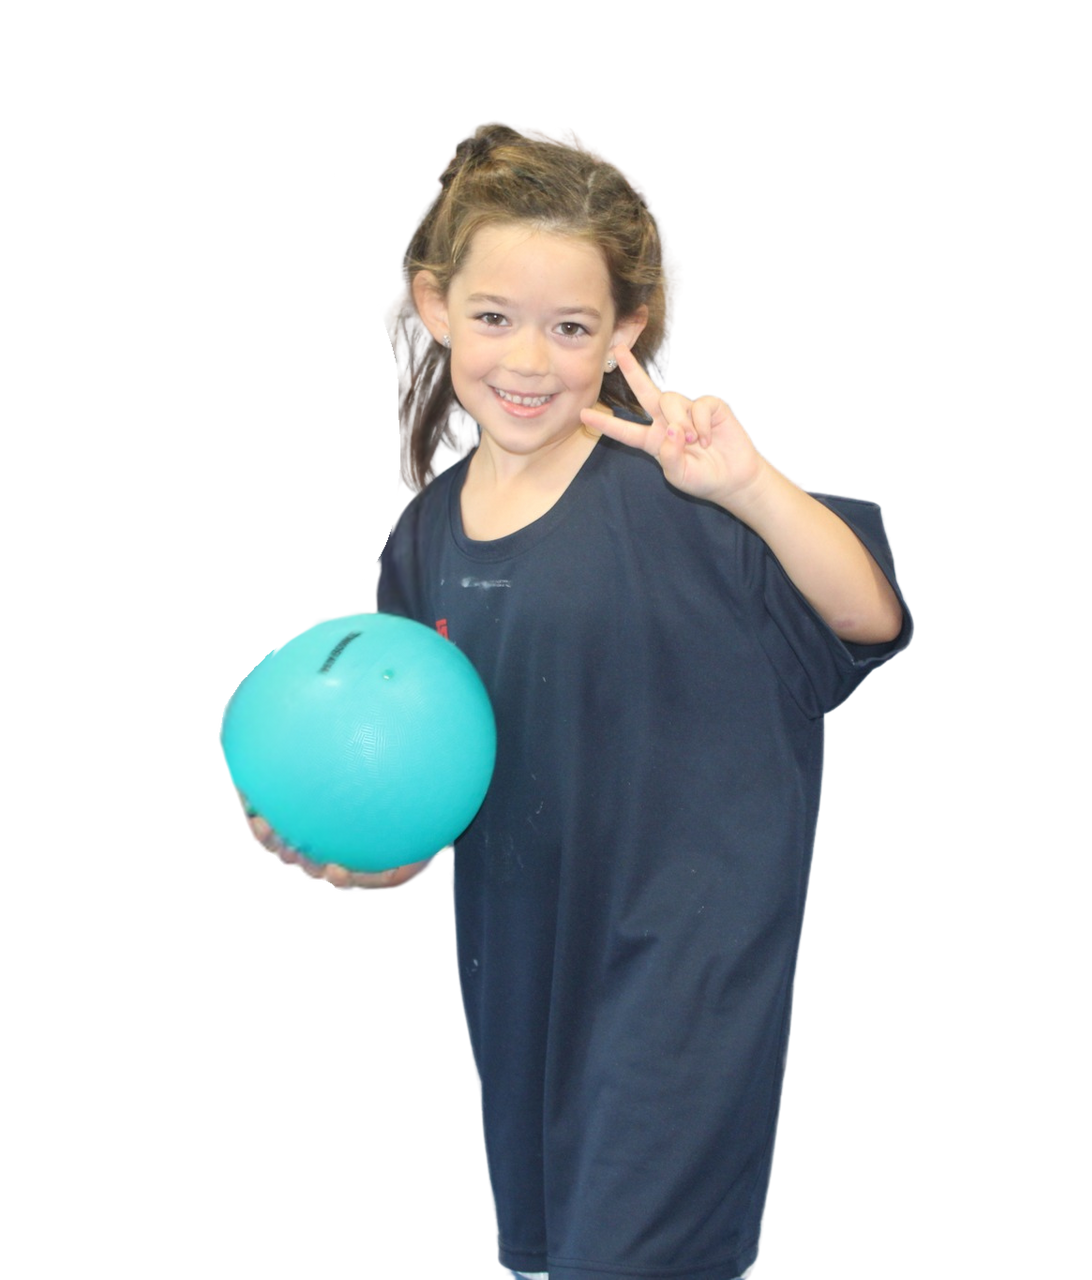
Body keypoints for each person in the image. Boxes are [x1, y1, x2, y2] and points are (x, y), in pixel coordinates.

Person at [250, 121, 913, 1280]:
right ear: (438, 304)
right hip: (521, 981)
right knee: (554, 1263)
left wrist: (755, 486)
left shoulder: (684, 491)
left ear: (625, 330)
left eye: (571, 327)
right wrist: (364, 848)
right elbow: (431, 776)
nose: (528, 357)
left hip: (684, 980)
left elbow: (867, 614)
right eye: (496, 316)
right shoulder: (421, 542)